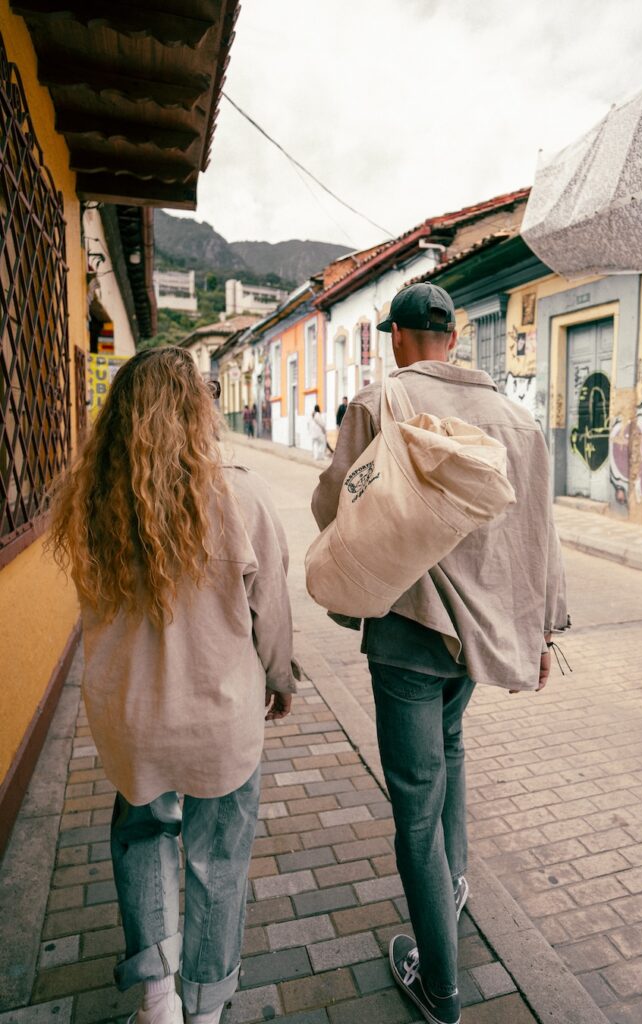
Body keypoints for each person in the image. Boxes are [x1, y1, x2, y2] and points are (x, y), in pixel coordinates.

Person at [311, 283, 568, 1024]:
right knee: (452, 752)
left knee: (415, 809)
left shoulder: (377, 404)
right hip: (481, 637)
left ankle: (441, 991)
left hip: (406, 631)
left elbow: (335, 507)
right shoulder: (517, 420)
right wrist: (543, 627)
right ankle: (452, 888)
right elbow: (539, 534)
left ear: (396, 336)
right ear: (453, 339)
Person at [49, 347, 297, 1024]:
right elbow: (269, 607)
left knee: (142, 834)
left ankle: (158, 1001)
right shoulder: (240, 493)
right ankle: (206, 1007)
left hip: (128, 715)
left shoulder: (93, 500)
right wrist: (279, 678)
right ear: (198, 408)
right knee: (218, 861)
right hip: (219, 713)